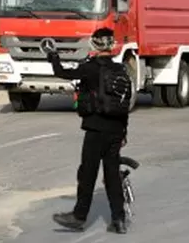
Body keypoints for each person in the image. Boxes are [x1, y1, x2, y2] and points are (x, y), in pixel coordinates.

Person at [46, 27, 131, 234]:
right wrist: (124, 132)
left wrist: (53, 56)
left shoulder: (89, 68)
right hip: (116, 130)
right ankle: (119, 220)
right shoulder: (121, 69)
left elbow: (62, 73)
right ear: (112, 45)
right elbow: (124, 103)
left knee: (87, 174)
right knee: (112, 175)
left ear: (94, 44)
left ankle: (79, 216)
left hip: (95, 130)